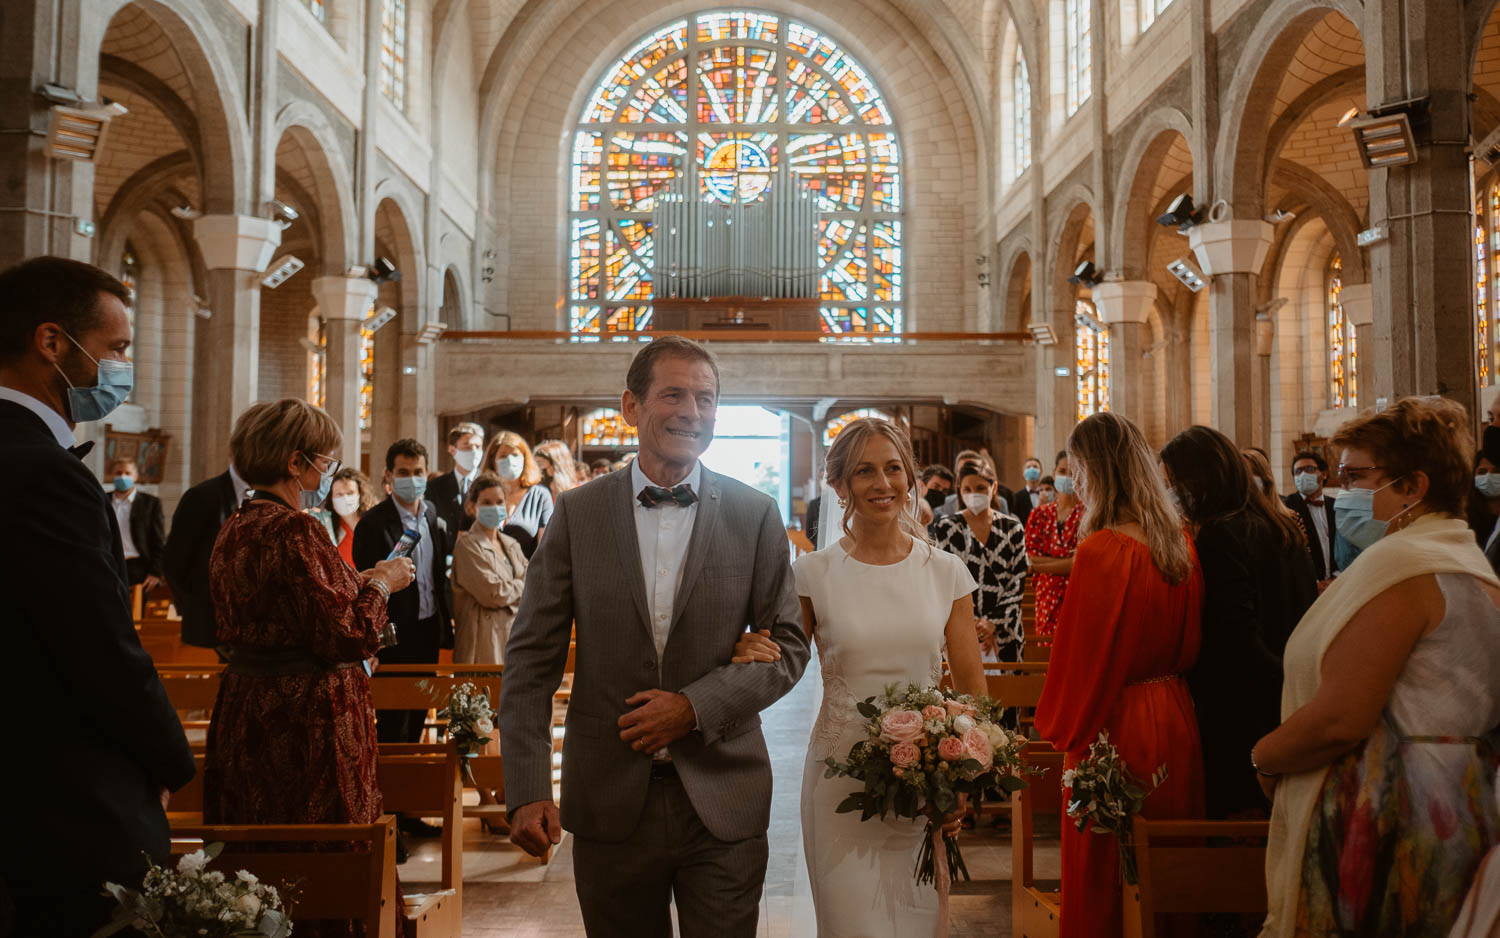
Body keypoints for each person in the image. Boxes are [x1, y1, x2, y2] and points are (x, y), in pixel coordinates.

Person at [499, 336, 810, 938]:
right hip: (610, 796)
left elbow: (790, 646)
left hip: (724, 792)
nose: (692, 411)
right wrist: (528, 786)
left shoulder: (754, 514)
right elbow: (530, 660)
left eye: (706, 398)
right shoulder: (578, 514)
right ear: (631, 406)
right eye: (673, 394)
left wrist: (695, 707)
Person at [1254, 397, 1500, 938]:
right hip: (1456, 806)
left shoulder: (1406, 565)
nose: (1346, 493)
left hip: (1396, 820)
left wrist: (1265, 758)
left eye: (1358, 476)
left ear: (1414, 485)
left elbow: (1340, 718)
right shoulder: (1460, 555)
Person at [0, 256, 195, 934]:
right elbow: (97, 642)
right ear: (52, 342)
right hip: (57, 805)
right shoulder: (39, 471)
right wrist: (169, 756)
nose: (122, 366)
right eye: (115, 348)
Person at [731, 416, 985, 935]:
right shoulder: (813, 574)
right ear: (840, 484)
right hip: (838, 778)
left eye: (894, 469)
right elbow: (783, 660)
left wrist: (963, 779)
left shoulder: (946, 572)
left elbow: (974, 692)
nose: (883, 484)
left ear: (910, 478)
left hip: (923, 783)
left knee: (916, 923)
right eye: (865, 471)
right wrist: (752, 647)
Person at [1034, 412, 1205, 938]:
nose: (1074, 479)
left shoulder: (1104, 550)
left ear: (1093, 469)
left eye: (1077, 467)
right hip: (1175, 716)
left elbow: (1082, 666)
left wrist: (1057, 730)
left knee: (1108, 873)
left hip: (1117, 724)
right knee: (1166, 873)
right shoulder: (1178, 541)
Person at [1160, 426, 1317, 819]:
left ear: (1200, 480)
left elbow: (1237, 637)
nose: (1172, 494)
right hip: (1287, 698)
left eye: (1173, 483)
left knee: (1237, 832)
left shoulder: (1222, 535)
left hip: (1240, 714)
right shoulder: (1280, 528)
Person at [353, 438, 453, 746]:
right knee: (391, 722)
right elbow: (367, 583)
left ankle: (412, 786)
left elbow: (438, 575)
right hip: (392, 634)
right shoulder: (373, 522)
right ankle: (391, 788)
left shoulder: (432, 514)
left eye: (418, 471)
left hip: (426, 628)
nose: (412, 478)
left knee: (419, 712)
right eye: (404, 471)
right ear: (389, 475)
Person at [930, 459, 1028, 662]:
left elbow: (1017, 583)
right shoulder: (946, 528)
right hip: (961, 628)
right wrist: (971, 624)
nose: (974, 494)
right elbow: (942, 581)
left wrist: (993, 622)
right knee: (962, 692)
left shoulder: (1012, 528)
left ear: (994, 488)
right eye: (967, 488)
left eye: (981, 488)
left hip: (1006, 630)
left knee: (1009, 692)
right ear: (960, 491)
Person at [164, 462, 252, 653]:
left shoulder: (273, 494)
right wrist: (194, 607)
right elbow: (174, 562)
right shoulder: (202, 497)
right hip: (209, 624)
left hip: (253, 629)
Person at [451, 471, 528, 663]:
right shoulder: (467, 545)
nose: (494, 507)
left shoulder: (511, 544)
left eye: (499, 502)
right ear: (472, 507)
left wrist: (522, 586)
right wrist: (522, 586)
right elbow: (492, 593)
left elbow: (535, 581)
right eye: (486, 502)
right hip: (482, 642)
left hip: (513, 635)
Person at [1024, 452, 1082, 641]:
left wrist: (1038, 566)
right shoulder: (1039, 515)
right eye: (1063, 471)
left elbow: (1079, 563)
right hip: (1046, 598)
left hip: (1079, 598)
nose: (1068, 477)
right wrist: (1067, 563)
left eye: (1073, 472)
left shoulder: (1089, 515)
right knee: (1047, 662)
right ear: (1054, 472)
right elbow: (1030, 557)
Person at [479, 430, 553, 558]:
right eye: (503, 456)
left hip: (526, 575)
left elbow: (545, 549)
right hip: (486, 573)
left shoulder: (540, 496)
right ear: (493, 460)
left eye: (515, 455)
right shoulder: (480, 493)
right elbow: (465, 539)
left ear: (525, 459)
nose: (509, 460)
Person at [108, 457, 166, 590]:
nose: (122, 476)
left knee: (136, 609)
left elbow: (158, 541)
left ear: (135, 476)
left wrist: (156, 572)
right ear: (112, 475)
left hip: (139, 568)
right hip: (110, 564)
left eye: (127, 473)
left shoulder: (151, 503)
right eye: (118, 473)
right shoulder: (103, 500)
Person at [1283, 449, 1338, 587]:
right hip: (1304, 586)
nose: (1303, 475)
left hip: (1336, 584)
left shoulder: (1336, 506)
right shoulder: (1286, 507)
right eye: (1298, 471)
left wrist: (1336, 578)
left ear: (1324, 474)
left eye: (1309, 469)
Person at [309, 467, 377, 568]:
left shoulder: (374, 523)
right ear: (331, 499)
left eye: (350, 493)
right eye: (339, 494)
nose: (345, 498)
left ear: (360, 494)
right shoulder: (327, 527)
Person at [427, 421, 484, 539]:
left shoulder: (489, 485)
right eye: (467, 446)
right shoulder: (435, 486)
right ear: (453, 450)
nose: (473, 452)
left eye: (478, 447)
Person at [1012, 456, 1045, 528]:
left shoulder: (1047, 494)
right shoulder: (1016, 497)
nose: (1032, 469)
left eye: (1035, 467)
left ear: (1041, 472)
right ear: (1023, 474)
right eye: (1028, 467)